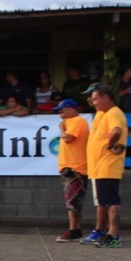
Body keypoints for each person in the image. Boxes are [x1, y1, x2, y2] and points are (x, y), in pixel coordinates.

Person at [82, 86, 127, 248]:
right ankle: (104, 232)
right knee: (104, 201)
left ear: (106, 97)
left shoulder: (114, 113)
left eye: (95, 99)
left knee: (112, 201)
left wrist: (109, 145)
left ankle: (114, 235)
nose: (92, 102)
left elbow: (116, 131)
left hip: (108, 165)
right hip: (99, 166)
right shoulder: (103, 114)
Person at [52, 99, 90, 243]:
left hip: (76, 167)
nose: (59, 113)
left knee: (72, 201)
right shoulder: (72, 122)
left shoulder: (77, 121)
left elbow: (68, 138)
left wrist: (62, 129)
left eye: (62, 109)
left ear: (70, 109)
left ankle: (73, 230)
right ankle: (76, 230)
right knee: (73, 200)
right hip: (70, 167)